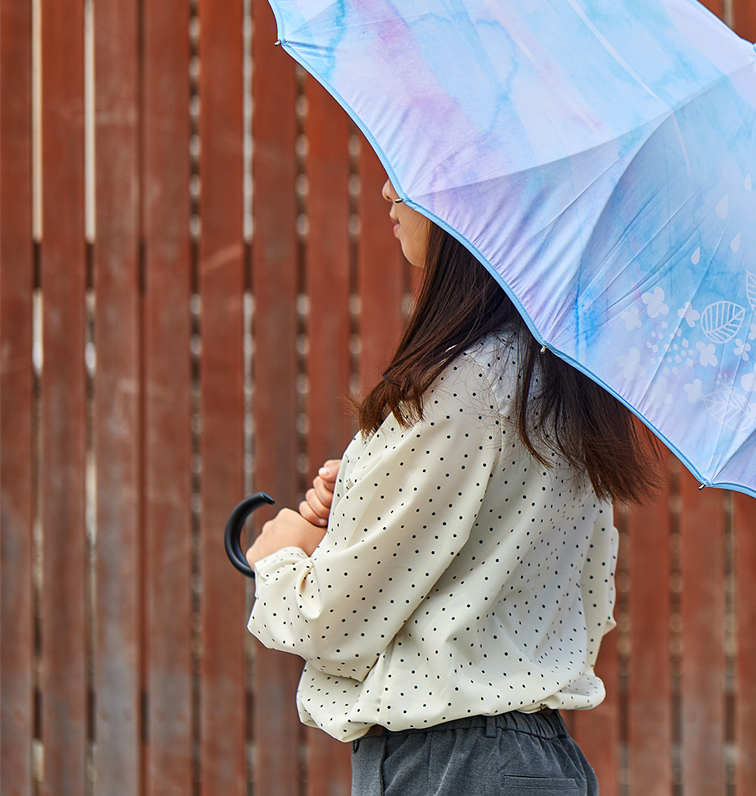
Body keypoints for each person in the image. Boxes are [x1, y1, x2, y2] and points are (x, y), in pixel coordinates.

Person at [245, 179, 660, 796]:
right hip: (531, 760)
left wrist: (279, 554)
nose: (388, 188)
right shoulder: (562, 382)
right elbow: (578, 595)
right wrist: (358, 510)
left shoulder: (467, 381)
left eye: (417, 176)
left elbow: (334, 625)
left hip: (454, 767)